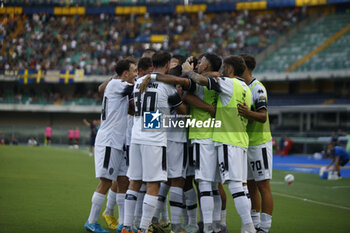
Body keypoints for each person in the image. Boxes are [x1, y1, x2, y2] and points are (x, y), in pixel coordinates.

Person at [139, 55, 255, 233]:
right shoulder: (233, 84)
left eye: (200, 62)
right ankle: (217, 225)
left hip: (199, 135)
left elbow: (184, 94)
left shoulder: (204, 81)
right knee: (214, 185)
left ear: (207, 65)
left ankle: (204, 226)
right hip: (221, 138)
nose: (197, 64)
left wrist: (155, 76)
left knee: (199, 183)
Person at [122, 51, 186, 233]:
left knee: (134, 181)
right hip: (154, 139)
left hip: (136, 136)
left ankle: (127, 226)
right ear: (166, 65)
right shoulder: (168, 87)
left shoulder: (139, 83)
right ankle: (143, 228)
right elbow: (182, 110)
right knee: (153, 184)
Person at [84, 58, 137, 233]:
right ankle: (91, 221)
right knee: (106, 181)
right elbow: (136, 89)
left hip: (119, 141)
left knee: (123, 180)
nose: (136, 74)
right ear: (125, 73)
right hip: (109, 141)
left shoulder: (118, 85)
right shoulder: (116, 84)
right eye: (134, 71)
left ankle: (123, 224)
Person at [237, 54, 273, 233]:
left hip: (259, 143)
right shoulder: (242, 87)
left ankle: (265, 228)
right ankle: (255, 223)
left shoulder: (257, 88)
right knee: (250, 185)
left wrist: (246, 113)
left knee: (263, 185)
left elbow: (262, 116)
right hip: (246, 143)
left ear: (244, 67)